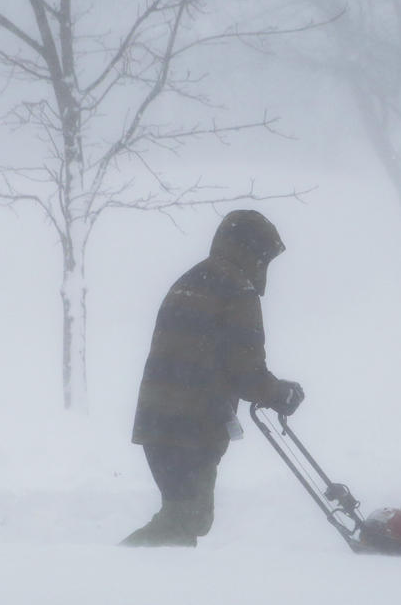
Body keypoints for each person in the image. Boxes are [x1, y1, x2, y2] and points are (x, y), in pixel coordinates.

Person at [121, 209, 304, 547]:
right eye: (265, 258)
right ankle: (114, 572)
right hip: (191, 425)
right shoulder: (237, 288)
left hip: (158, 421)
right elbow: (245, 368)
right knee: (184, 520)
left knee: (183, 518)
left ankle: (148, 583)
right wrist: (279, 394)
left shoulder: (194, 278)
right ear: (254, 253)